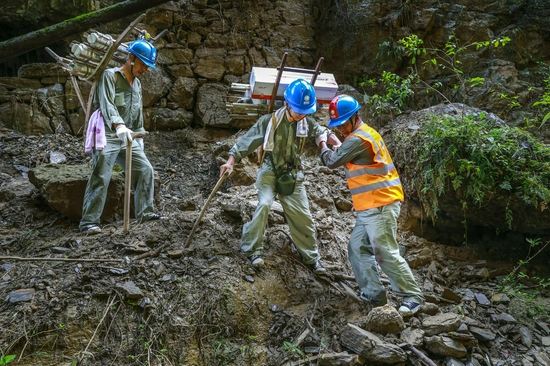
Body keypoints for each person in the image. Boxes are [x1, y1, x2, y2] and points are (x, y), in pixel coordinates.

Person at [219, 79, 341, 274]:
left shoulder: (306, 122)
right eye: (299, 110)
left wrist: (335, 143)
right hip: (269, 170)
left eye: (305, 111)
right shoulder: (269, 122)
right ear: (287, 105)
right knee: (265, 204)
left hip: (293, 173)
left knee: (303, 215)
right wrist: (230, 162)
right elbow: (247, 141)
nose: (302, 115)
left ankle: (312, 258)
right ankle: (252, 250)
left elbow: (321, 133)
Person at [319, 94, 424, 316]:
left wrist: (322, 143)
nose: (339, 130)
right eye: (336, 126)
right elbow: (346, 152)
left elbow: (332, 161)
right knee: (357, 248)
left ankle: (413, 296)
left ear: (354, 117)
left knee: (385, 252)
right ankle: (375, 297)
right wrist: (338, 143)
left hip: (380, 205)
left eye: (341, 124)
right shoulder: (359, 136)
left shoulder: (359, 139)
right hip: (370, 207)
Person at [79, 39, 164, 234]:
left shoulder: (138, 84)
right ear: (131, 58)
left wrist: (139, 135)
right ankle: (89, 222)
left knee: (145, 169)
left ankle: (145, 213)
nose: (145, 69)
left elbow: (137, 110)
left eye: (148, 66)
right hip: (109, 134)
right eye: (143, 64)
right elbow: (107, 104)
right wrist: (119, 126)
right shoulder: (110, 76)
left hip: (128, 136)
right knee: (101, 175)